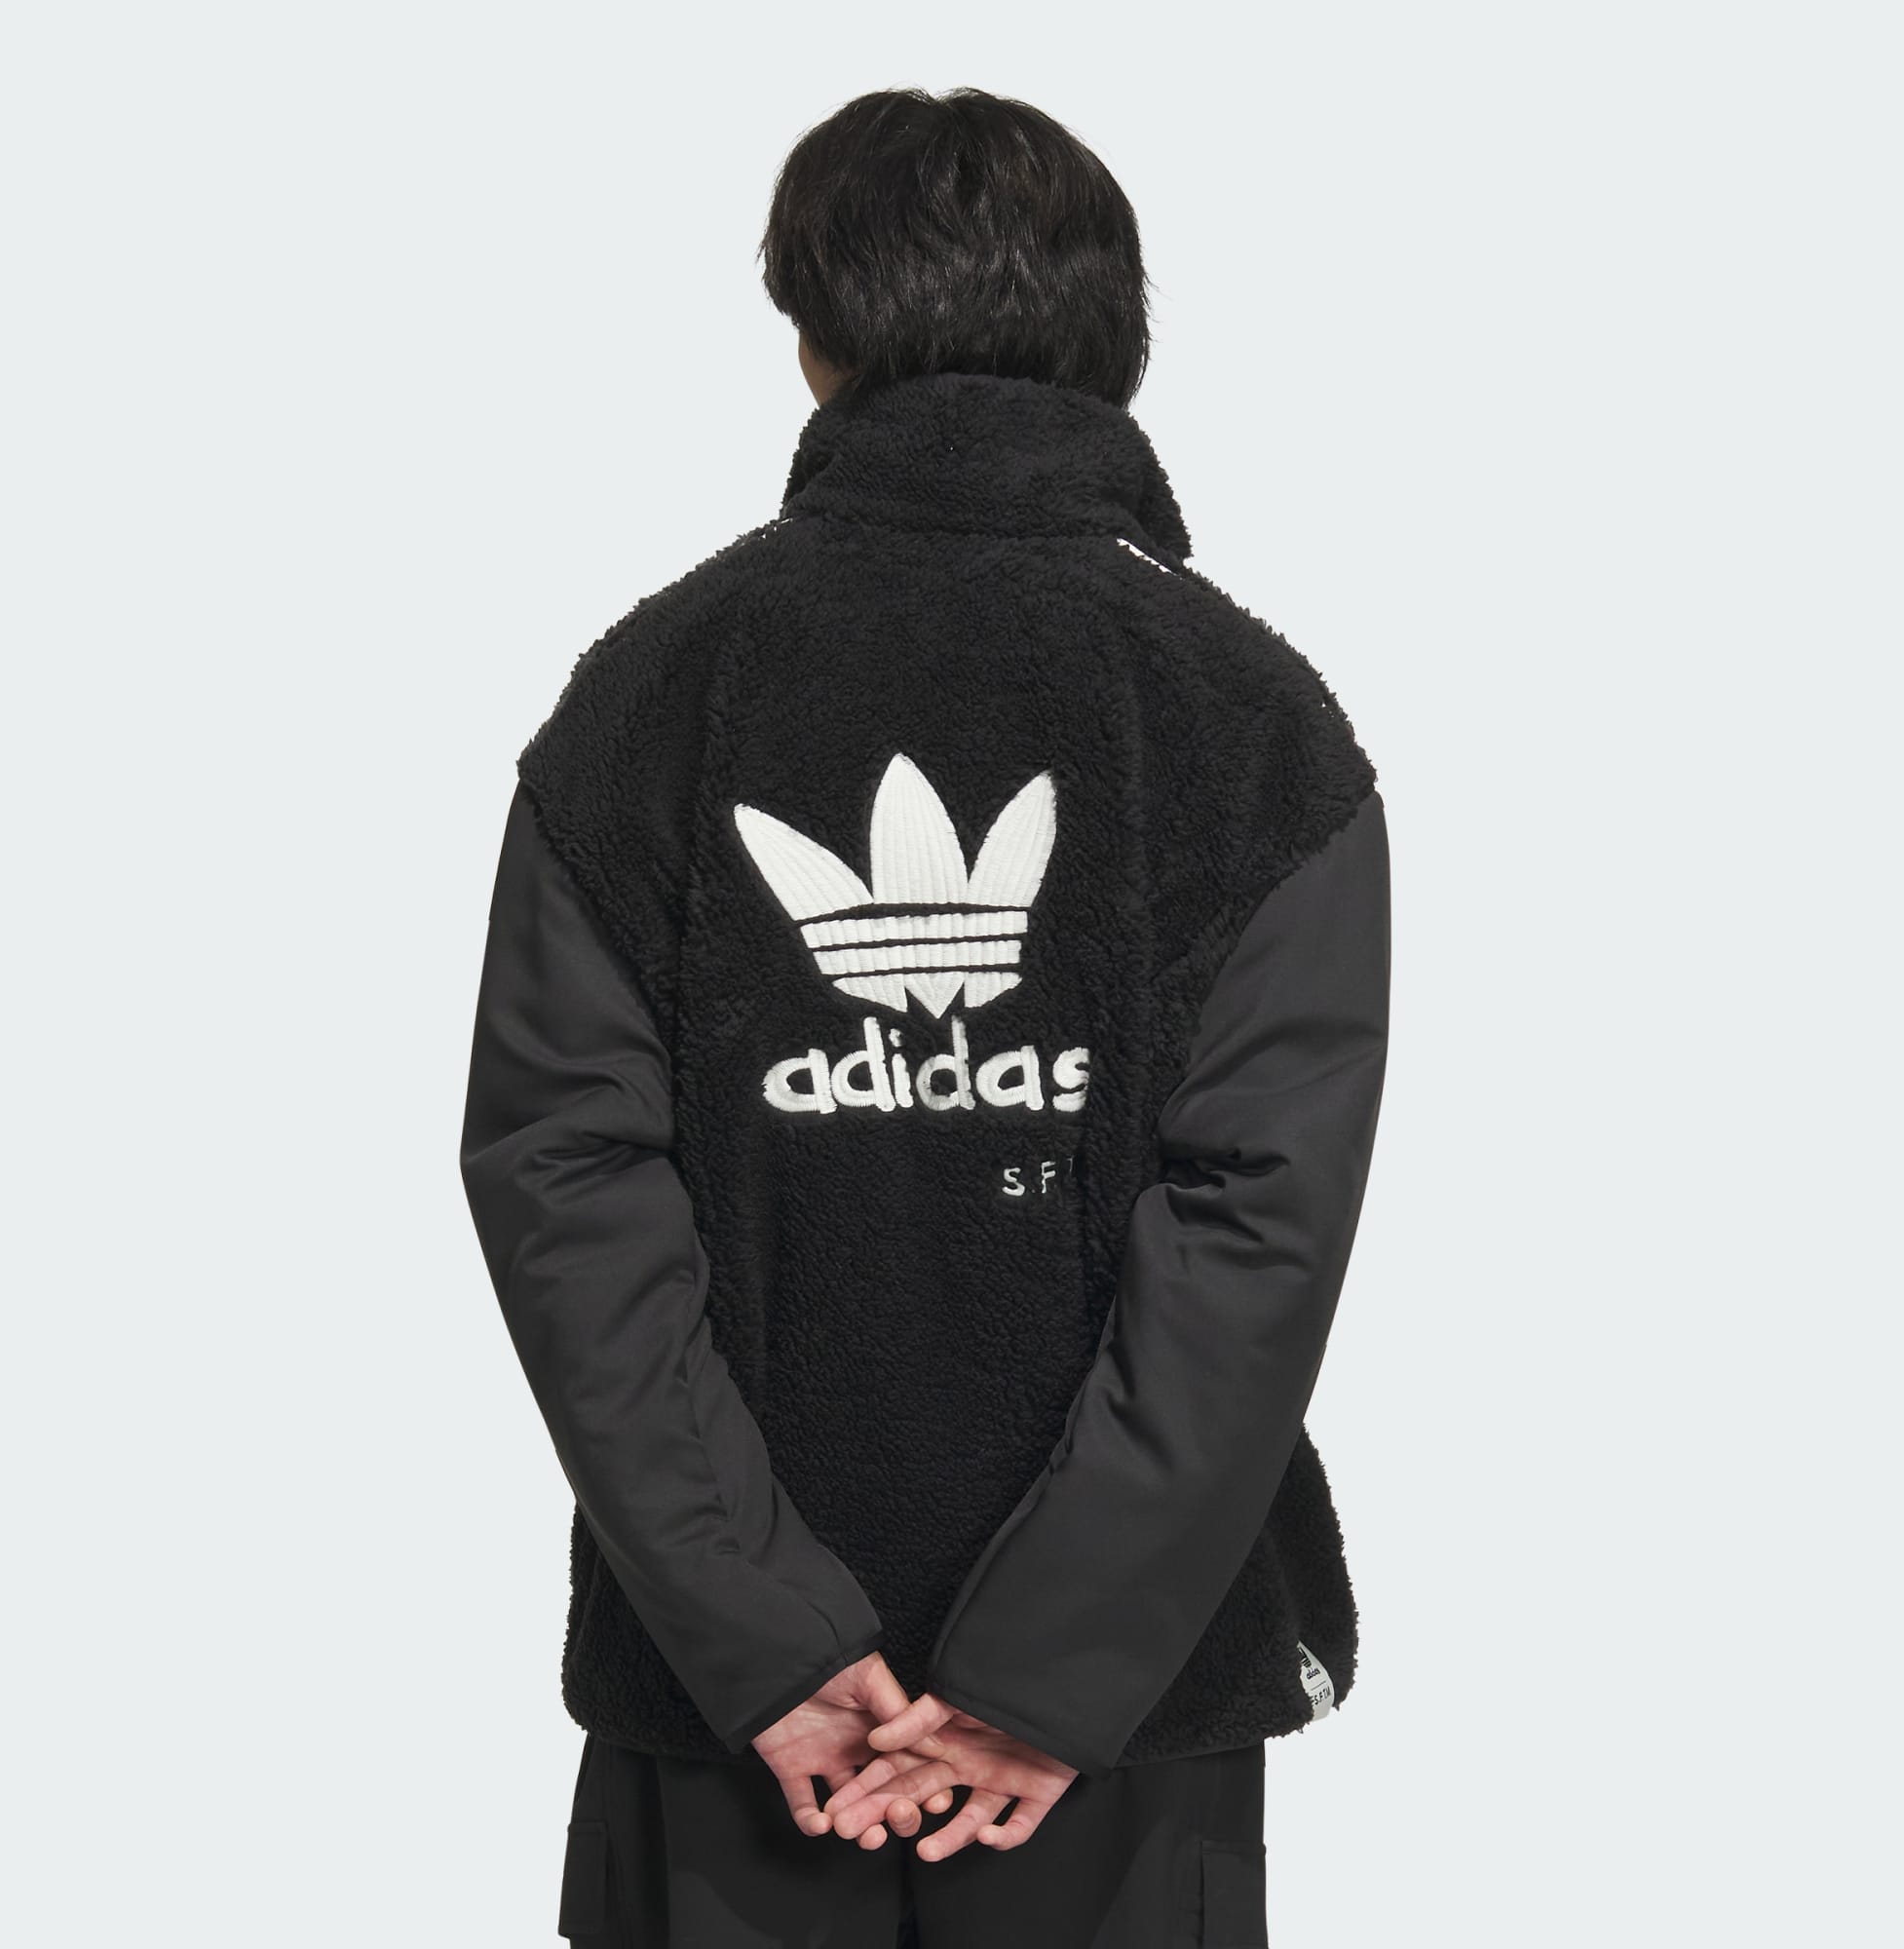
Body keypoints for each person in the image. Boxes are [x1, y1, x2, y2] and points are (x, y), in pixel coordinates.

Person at [459, 85, 1390, 1949]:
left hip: (728, 1719)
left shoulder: (651, 692)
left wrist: (763, 1636)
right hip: (1123, 1726)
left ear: (815, 341)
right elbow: (1257, 1224)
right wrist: (1051, 1669)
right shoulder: (1250, 719)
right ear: (1117, 341)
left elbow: (567, 1180)